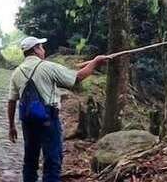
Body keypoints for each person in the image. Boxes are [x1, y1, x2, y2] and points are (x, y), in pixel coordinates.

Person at [7, 36, 110, 182]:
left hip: (28, 121)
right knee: (52, 161)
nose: (43, 50)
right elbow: (77, 78)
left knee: (30, 160)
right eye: (41, 47)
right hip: (48, 119)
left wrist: (11, 126)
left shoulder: (17, 72)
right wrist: (95, 62)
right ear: (35, 49)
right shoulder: (48, 67)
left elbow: (11, 101)